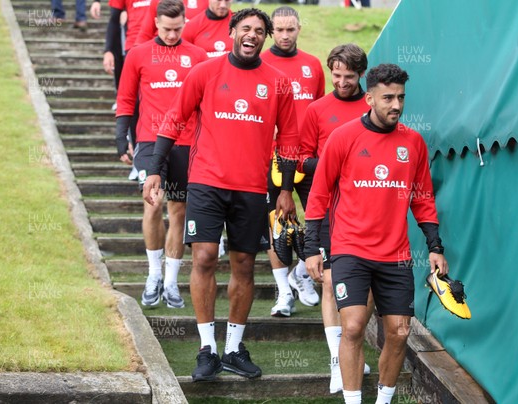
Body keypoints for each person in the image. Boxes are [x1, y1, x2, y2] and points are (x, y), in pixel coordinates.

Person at [142, 8, 299, 381]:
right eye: (246, 28)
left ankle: (233, 348)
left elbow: (290, 139)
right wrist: (154, 170)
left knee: (245, 264)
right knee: (205, 257)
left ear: (266, 38)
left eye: (260, 31)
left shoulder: (278, 83)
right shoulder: (205, 72)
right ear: (232, 32)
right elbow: (173, 119)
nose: (253, 35)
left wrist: (287, 190)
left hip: (251, 187)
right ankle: (207, 348)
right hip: (207, 182)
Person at [304, 63, 448, 404]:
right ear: (369, 98)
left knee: (399, 333)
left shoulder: (413, 143)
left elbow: (423, 199)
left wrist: (434, 246)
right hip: (349, 249)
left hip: (396, 256)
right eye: (387, 98)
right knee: (353, 326)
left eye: (400, 97)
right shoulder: (343, 137)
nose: (396, 105)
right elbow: (319, 194)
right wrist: (312, 246)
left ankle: (383, 400)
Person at [115, 0, 208, 309]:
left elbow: (207, 104)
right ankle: (153, 275)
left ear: (185, 23)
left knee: (179, 210)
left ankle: (170, 282)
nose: (171, 35)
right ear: (155, 24)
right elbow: (126, 98)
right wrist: (120, 137)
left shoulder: (197, 56)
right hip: (150, 140)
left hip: (186, 141)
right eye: (166, 29)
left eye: (178, 29)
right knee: (153, 204)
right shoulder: (138, 54)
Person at [298, 43, 373, 394]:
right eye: (337, 75)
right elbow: (301, 159)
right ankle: (336, 360)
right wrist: (335, 164)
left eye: (349, 76)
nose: (342, 82)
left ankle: (351, 349)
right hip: (330, 208)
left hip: (371, 210)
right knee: (329, 282)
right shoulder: (317, 109)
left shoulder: (373, 106)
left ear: (361, 75)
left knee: (364, 287)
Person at [260, 6, 325, 317]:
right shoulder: (261, 63)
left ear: (299, 28)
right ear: (272, 30)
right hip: (274, 158)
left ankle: (301, 275)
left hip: (308, 159)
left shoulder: (313, 65)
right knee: (279, 225)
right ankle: (283, 292)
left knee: (318, 221)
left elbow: (322, 113)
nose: (285, 35)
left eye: (291, 29)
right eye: (280, 30)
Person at [135, 0, 208, 46]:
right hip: (159, 50)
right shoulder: (157, 1)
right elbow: (146, 32)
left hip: (190, 51)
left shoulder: (207, 2)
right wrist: (136, 54)